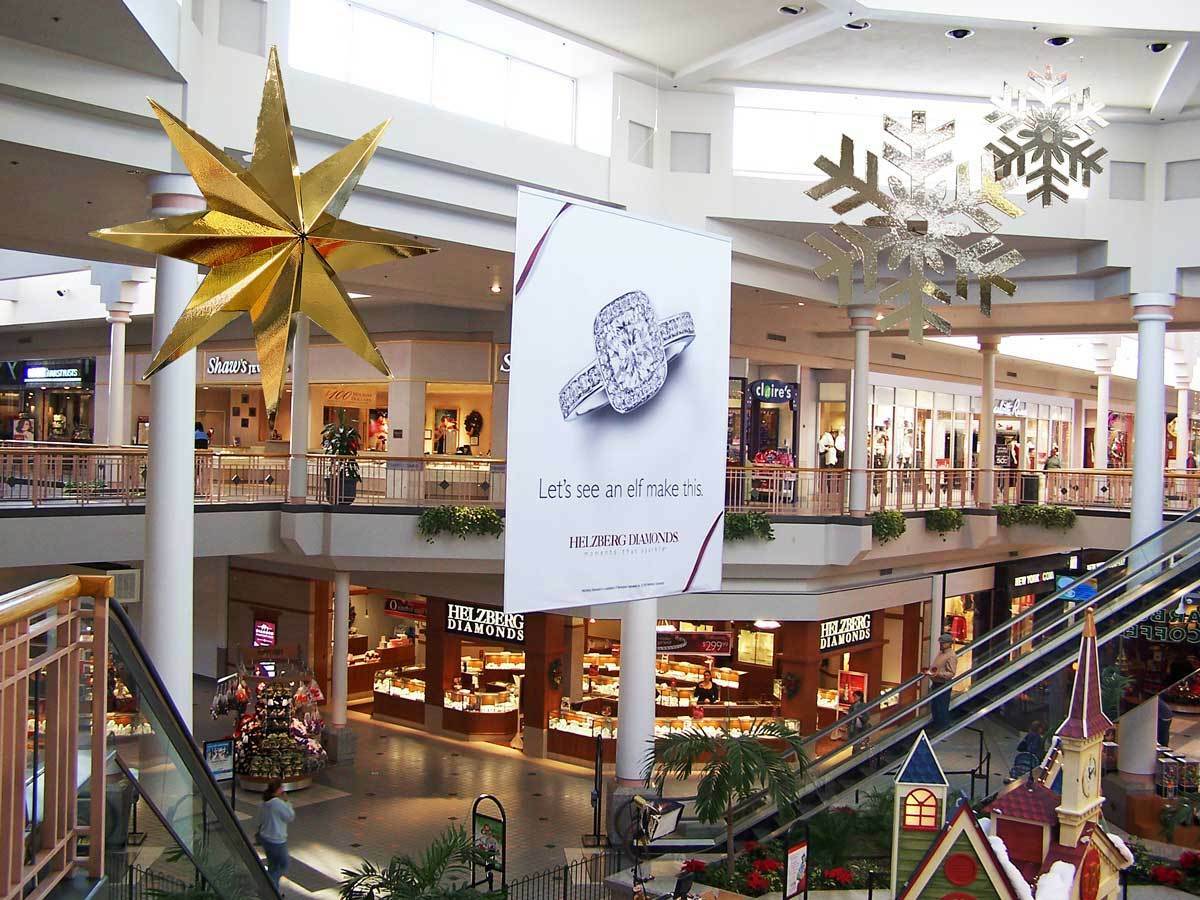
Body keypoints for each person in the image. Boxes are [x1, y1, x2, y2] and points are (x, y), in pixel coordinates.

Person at [258, 781, 294, 891]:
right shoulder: (277, 803)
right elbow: (290, 816)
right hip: (277, 840)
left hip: (265, 837)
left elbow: (260, 819)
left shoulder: (264, 802)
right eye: (281, 787)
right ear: (278, 789)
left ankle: (273, 890)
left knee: (273, 865)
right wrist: (287, 802)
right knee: (284, 865)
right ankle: (271, 887)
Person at [926, 633, 957, 729]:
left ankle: (942, 727)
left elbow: (951, 673)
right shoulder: (941, 652)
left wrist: (938, 674)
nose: (941, 645)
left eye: (943, 643)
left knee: (941, 707)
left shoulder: (951, 656)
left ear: (949, 643)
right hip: (936, 683)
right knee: (935, 706)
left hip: (943, 684)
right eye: (940, 643)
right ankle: (937, 725)